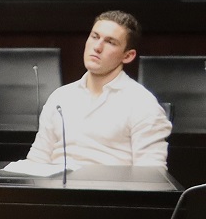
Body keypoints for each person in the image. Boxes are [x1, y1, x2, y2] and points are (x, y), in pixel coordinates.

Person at [26, 11, 171, 168]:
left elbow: (151, 173)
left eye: (110, 42)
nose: (97, 47)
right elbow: (37, 160)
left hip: (111, 184)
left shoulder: (142, 103)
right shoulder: (61, 96)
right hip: (57, 182)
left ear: (128, 56)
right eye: (95, 37)